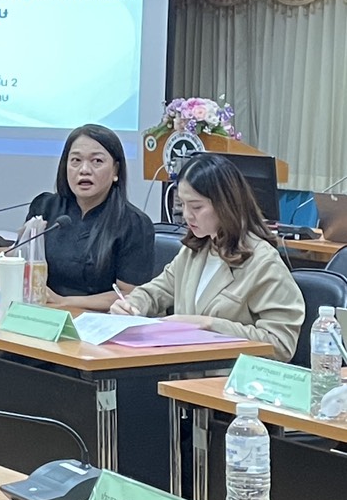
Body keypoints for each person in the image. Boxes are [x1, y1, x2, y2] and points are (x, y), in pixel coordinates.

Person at [111, 152, 304, 361]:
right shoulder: (195, 251)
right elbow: (156, 291)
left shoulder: (263, 262)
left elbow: (281, 344)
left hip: (227, 376)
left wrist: (209, 325)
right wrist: (133, 304)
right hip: (183, 369)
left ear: (225, 204)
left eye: (196, 207)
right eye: (182, 204)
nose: (187, 215)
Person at [25, 124, 155, 310]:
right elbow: (24, 266)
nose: (84, 169)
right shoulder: (45, 207)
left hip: (100, 319)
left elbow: (130, 294)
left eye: (97, 161)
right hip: (44, 314)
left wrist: (65, 301)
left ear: (116, 171)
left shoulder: (134, 223)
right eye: (76, 160)